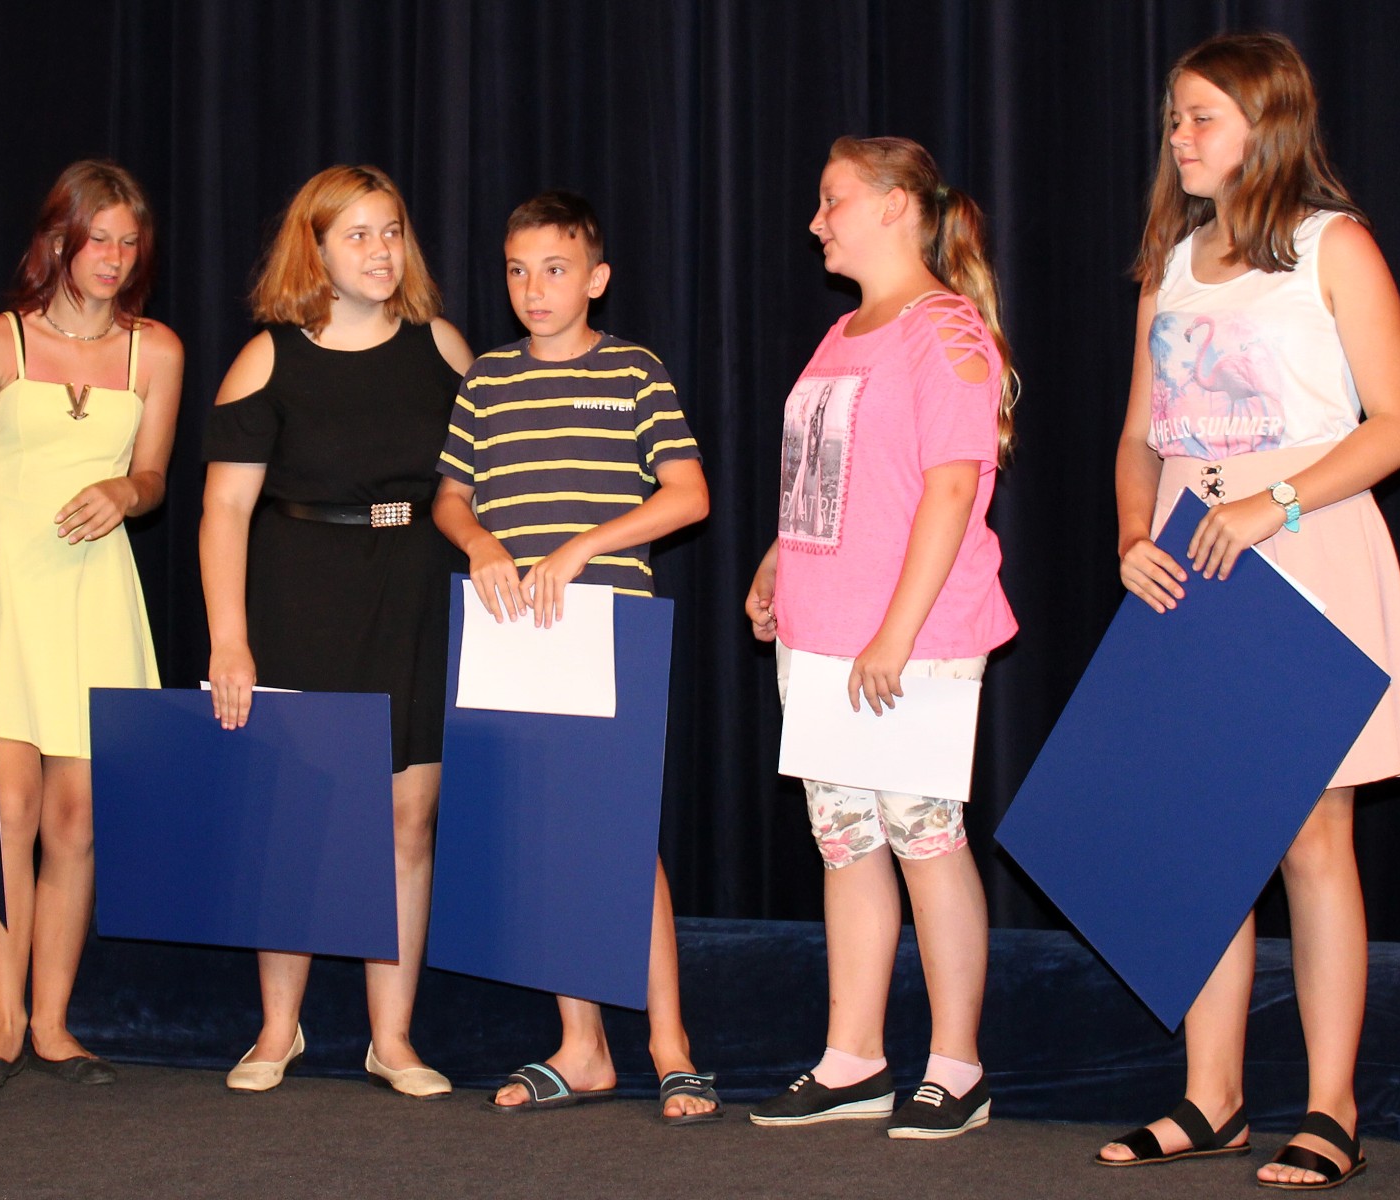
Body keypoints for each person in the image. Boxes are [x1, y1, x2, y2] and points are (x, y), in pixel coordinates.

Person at [1094, 32, 1400, 1189]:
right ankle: (1213, 1096)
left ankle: (1332, 1109)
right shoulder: (1172, 263)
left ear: (1265, 124)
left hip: (1305, 546)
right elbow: (1139, 436)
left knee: (1309, 835)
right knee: (1202, 835)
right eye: (1174, 119)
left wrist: (1274, 503)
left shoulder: (1336, 246)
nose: (1179, 137)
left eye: (1201, 117)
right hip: (1190, 562)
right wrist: (1133, 537)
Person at [742, 136, 1018, 1140]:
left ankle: (957, 1066)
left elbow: (950, 488)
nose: (817, 221)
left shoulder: (944, 329)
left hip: (910, 638)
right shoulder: (843, 331)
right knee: (846, 840)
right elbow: (831, 473)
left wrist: (895, 634)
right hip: (823, 635)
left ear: (897, 205)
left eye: (835, 201)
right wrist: (780, 559)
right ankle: (853, 1057)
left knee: (924, 836)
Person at [432, 190, 719, 1125]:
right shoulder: (486, 380)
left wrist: (583, 546)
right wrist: (479, 542)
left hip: (605, 629)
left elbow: (688, 495)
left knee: (621, 836)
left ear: (595, 279)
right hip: (513, 633)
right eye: (518, 271)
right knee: (543, 836)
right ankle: (582, 1045)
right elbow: (449, 497)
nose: (534, 289)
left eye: (554, 270)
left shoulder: (634, 371)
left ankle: (670, 1046)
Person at [198, 165, 473, 1096]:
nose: (381, 251)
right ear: (312, 249)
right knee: (296, 821)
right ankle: (278, 1030)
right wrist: (229, 639)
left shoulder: (442, 346)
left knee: (408, 821)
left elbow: (482, 483)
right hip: (300, 596)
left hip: (418, 593)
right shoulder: (266, 358)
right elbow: (223, 512)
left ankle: (392, 1039)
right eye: (357, 234)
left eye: (391, 231)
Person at [0, 160, 184, 1088]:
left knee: (77, 818)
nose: (113, 257)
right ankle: (2, 1025)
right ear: (59, 238)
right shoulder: (2, 341)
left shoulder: (158, 352)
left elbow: (153, 479)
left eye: (128, 242)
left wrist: (125, 491)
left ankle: (56, 1025)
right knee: (7, 810)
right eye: (97, 237)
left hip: (94, 594)